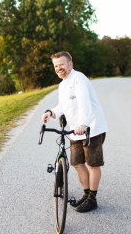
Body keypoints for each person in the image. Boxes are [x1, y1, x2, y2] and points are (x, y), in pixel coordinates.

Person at [41, 51, 108, 213]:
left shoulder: (79, 79)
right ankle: (87, 194)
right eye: (56, 66)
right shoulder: (62, 85)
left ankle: (92, 199)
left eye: (61, 64)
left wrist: (83, 123)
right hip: (74, 131)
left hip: (91, 129)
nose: (59, 68)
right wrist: (51, 113)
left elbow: (84, 102)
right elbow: (63, 106)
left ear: (70, 64)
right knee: (77, 163)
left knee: (93, 164)